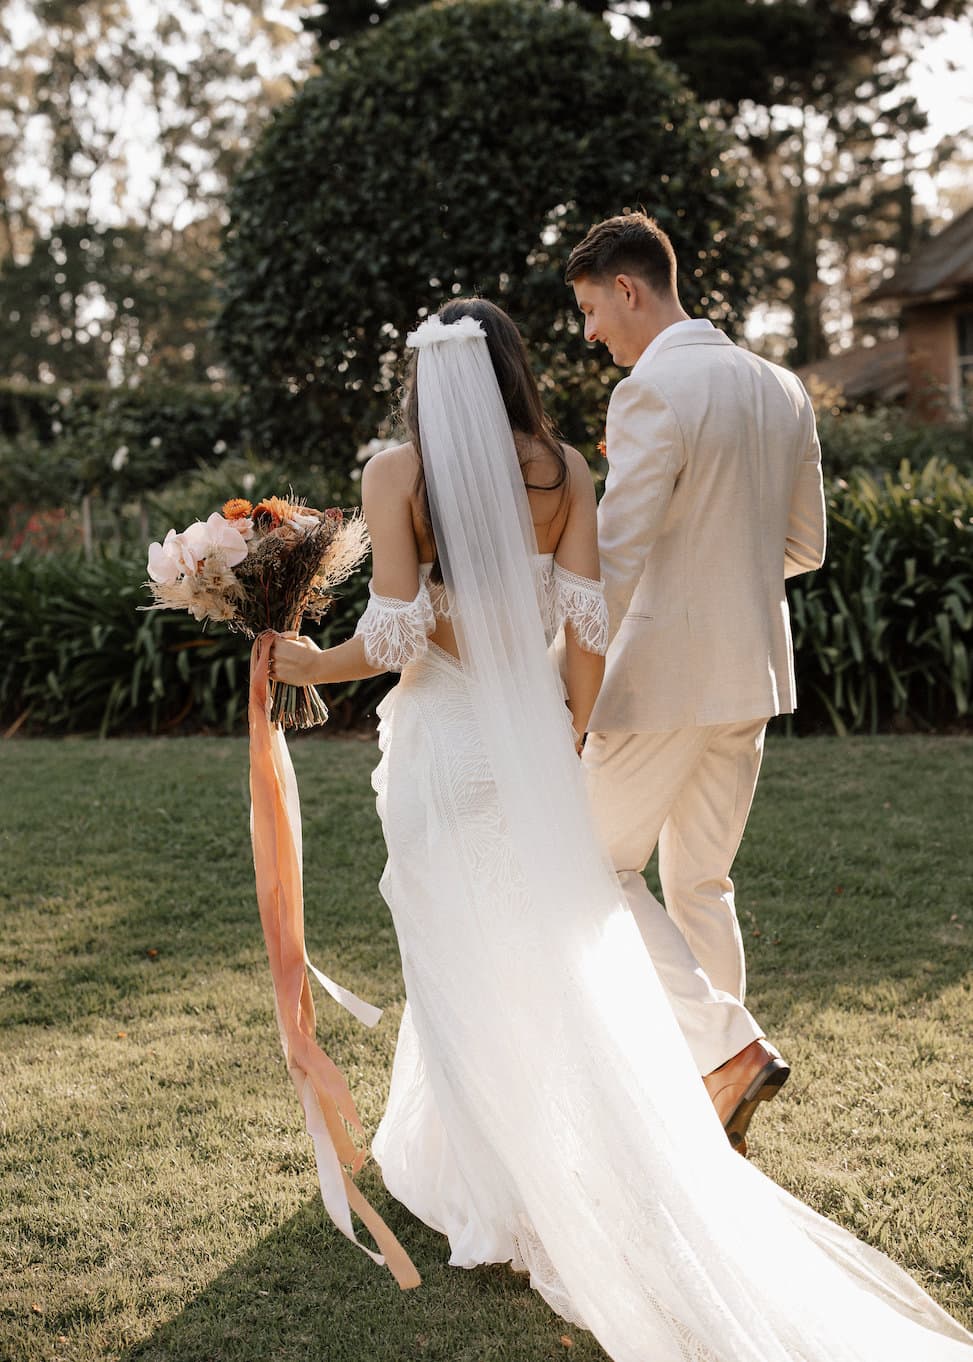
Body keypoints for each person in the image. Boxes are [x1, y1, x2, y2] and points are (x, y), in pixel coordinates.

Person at [271, 299, 971, 1361]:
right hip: (537, 750)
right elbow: (585, 627)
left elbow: (398, 635)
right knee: (546, 960)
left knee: (459, 953)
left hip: (444, 750)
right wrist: (568, 735)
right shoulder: (562, 472)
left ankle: (495, 1191)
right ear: (511, 369)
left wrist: (309, 664)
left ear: (422, 378)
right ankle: (574, 1153)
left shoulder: (395, 473)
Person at [566, 212, 827, 1151]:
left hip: (662, 680)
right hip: (751, 672)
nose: (590, 334)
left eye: (592, 310)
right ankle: (713, 1104)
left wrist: (565, 681)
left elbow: (618, 558)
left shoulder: (649, 393)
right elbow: (803, 546)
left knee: (586, 865)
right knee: (702, 884)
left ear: (628, 289)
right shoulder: (780, 387)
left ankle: (726, 1049)